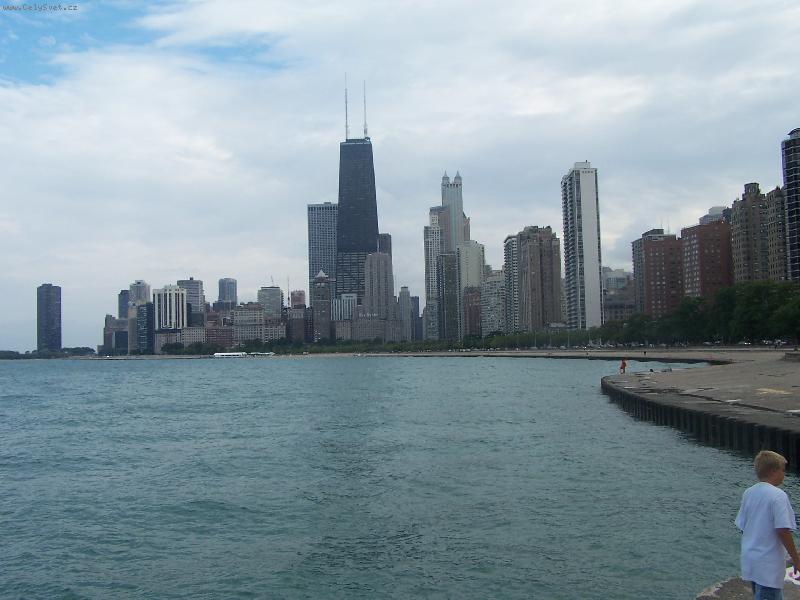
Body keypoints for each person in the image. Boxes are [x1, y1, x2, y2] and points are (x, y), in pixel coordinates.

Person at [736, 450, 800, 599]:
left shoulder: (749, 493)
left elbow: (743, 526)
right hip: (768, 565)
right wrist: (796, 559)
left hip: (751, 559)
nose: (784, 474)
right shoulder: (778, 496)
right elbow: (783, 530)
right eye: (783, 470)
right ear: (773, 471)